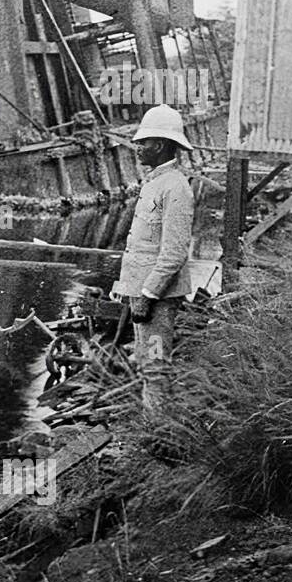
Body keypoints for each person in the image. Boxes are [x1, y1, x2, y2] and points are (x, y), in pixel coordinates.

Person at [114, 104, 195, 410]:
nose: (137, 148)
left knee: (155, 369)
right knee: (149, 366)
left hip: (156, 296)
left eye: (143, 142)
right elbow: (142, 247)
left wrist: (147, 294)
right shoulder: (155, 182)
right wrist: (126, 287)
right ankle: (159, 435)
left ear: (159, 145)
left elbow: (173, 254)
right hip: (142, 293)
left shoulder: (175, 188)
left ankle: (159, 441)